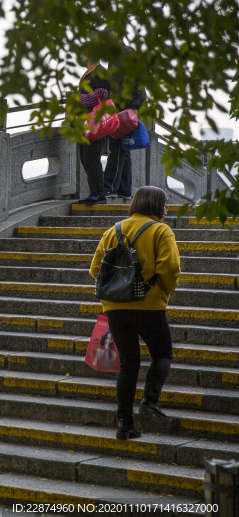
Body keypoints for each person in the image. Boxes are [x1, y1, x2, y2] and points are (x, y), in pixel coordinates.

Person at [88, 186, 182, 440]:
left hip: (115, 308)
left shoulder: (113, 231)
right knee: (162, 354)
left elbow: (95, 269)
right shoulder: (161, 230)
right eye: (164, 205)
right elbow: (170, 267)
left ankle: (125, 424)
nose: (166, 210)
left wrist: (117, 291)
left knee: (128, 365)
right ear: (156, 206)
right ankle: (149, 401)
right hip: (149, 305)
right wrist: (162, 291)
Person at [103, 43, 146, 200]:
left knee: (117, 147)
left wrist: (133, 106)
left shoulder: (125, 55)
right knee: (124, 148)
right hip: (122, 108)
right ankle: (124, 189)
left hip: (124, 109)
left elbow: (138, 82)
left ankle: (109, 187)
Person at [77, 55, 112, 205]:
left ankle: (98, 193)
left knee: (92, 157)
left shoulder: (99, 71)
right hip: (85, 122)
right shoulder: (89, 72)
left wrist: (80, 100)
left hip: (95, 121)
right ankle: (94, 191)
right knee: (85, 158)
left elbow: (102, 95)